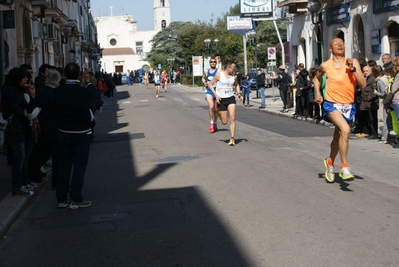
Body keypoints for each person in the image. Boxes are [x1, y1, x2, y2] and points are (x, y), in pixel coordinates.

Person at [313, 38, 366, 182]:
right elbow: (316, 79)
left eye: (342, 43)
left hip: (348, 105)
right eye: (336, 44)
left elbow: (363, 83)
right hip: (331, 104)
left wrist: (353, 69)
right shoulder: (325, 65)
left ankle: (330, 161)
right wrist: (318, 93)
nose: (340, 45)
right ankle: (344, 167)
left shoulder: (352, 62)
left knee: (338, 137)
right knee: (346, 130)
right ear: (330, 49)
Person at [54, 63, 101, 209]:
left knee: (64, 166)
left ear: (65, 75)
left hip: (64, 132)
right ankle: (75, 197)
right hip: (81, 133)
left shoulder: (57, 92)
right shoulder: (84, 92)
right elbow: (97, 98)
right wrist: (88, 82)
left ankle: (61, 198)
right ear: (79, 75)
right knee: (79, 166)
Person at [1, 68, 36, 196]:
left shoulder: (19, 91)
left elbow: (29, 109)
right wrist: (24, 114)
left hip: (20, 127)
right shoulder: (9, 90)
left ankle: (21, 183)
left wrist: (32, 97)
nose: (27, 79)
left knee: (23, 156)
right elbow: (18, 110)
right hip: (13, 128)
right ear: (18, 78)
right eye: (24, 77)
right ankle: (17, 185)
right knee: (19, 156)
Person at [35, 69, 61, 190]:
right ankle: (56, 182)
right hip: (54, 128)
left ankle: (35, 174)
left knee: (42, 153)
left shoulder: (40, 92)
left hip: (42, 126)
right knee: (56, 157)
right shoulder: (56, 93)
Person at [207, 60, 242, 146]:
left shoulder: (233, 77)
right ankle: (217, 112)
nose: (233, 70)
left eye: (234, 68)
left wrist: (239, 93)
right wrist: (216, 95)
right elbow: (210, 84)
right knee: (224, 122)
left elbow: (236, 85)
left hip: (231, 98)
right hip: (221, 100)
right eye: (232, 68)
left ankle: (232, 138)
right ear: (228, 67)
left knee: (233, 118)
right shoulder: (219, 75)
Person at [372, 65, 390, 144]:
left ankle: (384, 137)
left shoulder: (380, 81)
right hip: (391, 100)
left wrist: (376, 93)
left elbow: (384, 94)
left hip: (386, 101)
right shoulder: (385, 78)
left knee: (386, 119)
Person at [202, 58, 220, 133]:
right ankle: (211, 123)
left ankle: (215, 122)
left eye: (214, 62)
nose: (213, 63)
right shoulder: (206, 71)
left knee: (216, 109)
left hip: (217, 91)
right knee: (211, 106)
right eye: (211, 62)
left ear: (216, 63)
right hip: (209, 91)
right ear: (209, 63)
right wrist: (204, 83)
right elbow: (203, 78)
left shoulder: (219, 71)